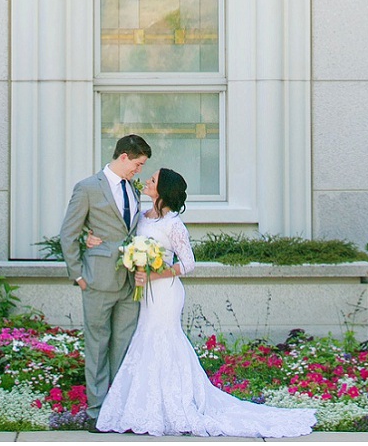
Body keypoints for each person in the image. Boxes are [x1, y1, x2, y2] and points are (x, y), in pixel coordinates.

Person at [96, 166, 316, 438]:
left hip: (165, 292)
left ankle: (176, 404)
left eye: (153, 180)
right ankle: (143, 406)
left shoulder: (173, 224)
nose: (147, 182)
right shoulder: (142, 216)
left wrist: (156, 274)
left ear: (163, 190)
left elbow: (189, 263)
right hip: (145, 293)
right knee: (144, 339)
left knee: (163, 339)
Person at [59, 133, 151, 429]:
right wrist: (78, 275)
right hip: (97, 280)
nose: (140, 170)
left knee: (123, 347)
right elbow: (68, 233)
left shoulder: (133, 190)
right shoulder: (87, 187)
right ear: (123, 156)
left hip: (129, 283)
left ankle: (119, 408)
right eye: (138, 164)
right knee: (97, 347)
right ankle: (97, 413)